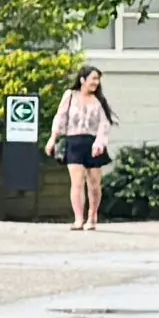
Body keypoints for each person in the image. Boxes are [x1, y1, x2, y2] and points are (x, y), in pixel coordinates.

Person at [51, 60, 120, 232]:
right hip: (73, 141)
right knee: (77, 182)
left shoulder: (98, 101)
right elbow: (60, 117)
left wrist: (100, 143)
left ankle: (92, 216)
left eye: (98, 79)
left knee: (94, 183)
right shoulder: (70, 96)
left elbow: (104, 124)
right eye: (93, 78)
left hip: (93, 144)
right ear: (83, 79)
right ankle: (78, 219)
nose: (96, 82)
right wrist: (53, 138)